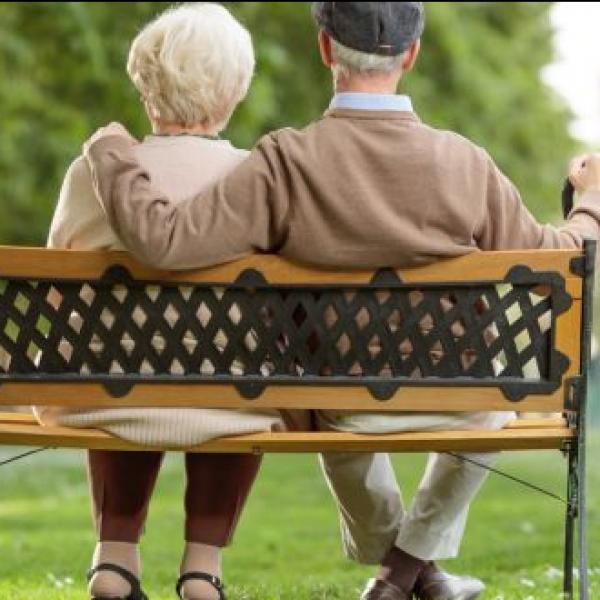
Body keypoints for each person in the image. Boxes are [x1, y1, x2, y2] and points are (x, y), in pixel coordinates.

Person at [79, 3, 600, 599]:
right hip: (461, 398)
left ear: (326, 50)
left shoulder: (285, 160)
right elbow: (562, 262)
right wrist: (589, 201)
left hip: (338, 403)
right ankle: (406, 572)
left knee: (335, 390)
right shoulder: (464, 163)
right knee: (495, 400)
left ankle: (402, 572)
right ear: (411, 54)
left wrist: (110, 152)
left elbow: (165, 242)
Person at [33, 4, 306, 600]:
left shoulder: (94, 172)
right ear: (234, 92)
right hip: (229, 404)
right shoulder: (253, 176)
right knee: (231, 370)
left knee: (124, 360)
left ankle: (113, 558)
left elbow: (57, 277)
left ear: (145, 85)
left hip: (106, 395)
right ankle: (202, 569)